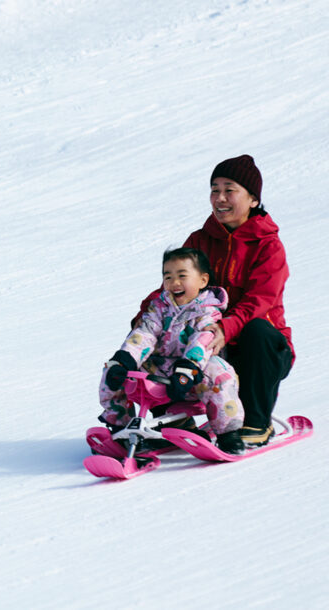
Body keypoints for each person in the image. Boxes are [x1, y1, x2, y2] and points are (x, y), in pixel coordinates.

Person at [132, 154, 293, 446]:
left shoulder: (268, 246)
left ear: (253, 200)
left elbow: (260, 301)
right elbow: (173, 288)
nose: (220, 198)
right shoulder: (200, 240)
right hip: (207, 345)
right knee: (157, 331)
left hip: (259, 352)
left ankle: (257, 422)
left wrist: (224, 329)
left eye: (229, 190)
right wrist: (145, 319)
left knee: (256, 329)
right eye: (214, 189)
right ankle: (174, 417)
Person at [99, 247, 245, 454]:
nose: (174, 283)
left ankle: (228, 433)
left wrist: (188, 368)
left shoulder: (208, 310)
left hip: (195, 373)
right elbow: (145, 333)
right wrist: (125, 359)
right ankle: (120, 427)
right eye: (168, 277)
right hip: (163, 371)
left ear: (202, 281)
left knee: (220, 374)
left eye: (182, 276)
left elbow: (201, 340)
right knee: (113, 370)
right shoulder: (159, 308)